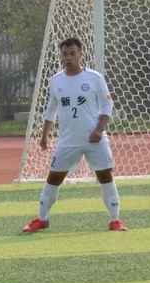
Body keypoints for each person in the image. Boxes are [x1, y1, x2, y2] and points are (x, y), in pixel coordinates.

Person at [22, 37, 127, 233]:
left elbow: (107, 105)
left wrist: (99, 130)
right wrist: (44, 135)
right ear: (61, 56)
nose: (68, 57)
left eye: (72, 53)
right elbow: (51, 109)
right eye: (65, 54)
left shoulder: (94, 78)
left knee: (105, 175)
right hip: (68, 140)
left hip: (94, 139)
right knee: (54, 178)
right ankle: (42, 219)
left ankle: (115, 220)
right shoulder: (55, 81)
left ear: (80, 55)